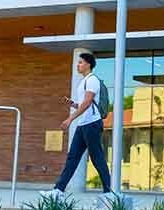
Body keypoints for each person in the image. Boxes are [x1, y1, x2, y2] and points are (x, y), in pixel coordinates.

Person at [42, 52, 113, 198]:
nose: (78, 65)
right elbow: (84, 104)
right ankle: (58, 191)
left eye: (80, 62)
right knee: (72, 157)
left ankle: (108, 193)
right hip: (84, 124)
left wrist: (70, 119)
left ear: (88, 64)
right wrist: (73, 104)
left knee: (97, 157)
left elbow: (88, 103)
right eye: (78, 62)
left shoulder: (92, 80)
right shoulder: (84, 81)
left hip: (92, 124)